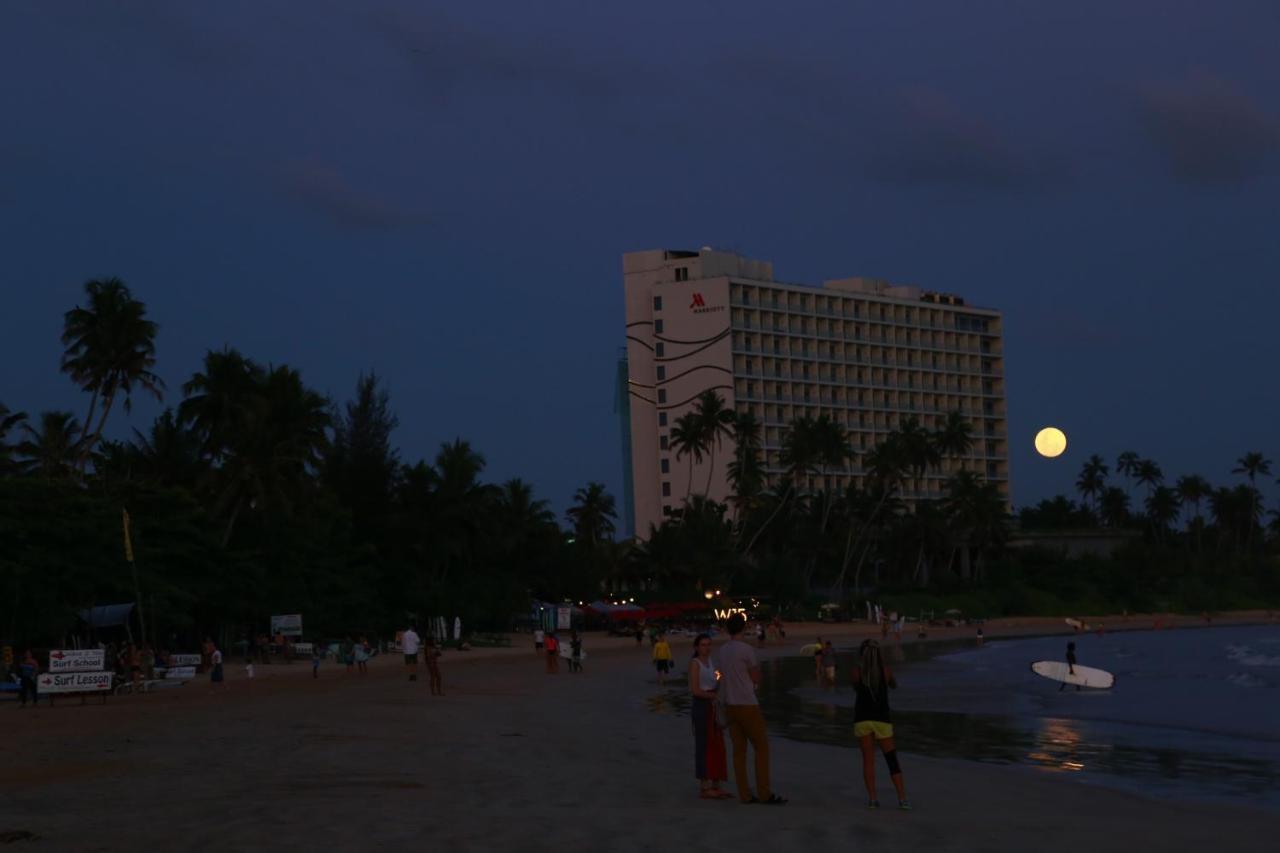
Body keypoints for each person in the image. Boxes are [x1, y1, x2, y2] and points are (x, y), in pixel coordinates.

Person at [719, 613, 786, 805]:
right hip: (747, 703)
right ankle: (764, 792)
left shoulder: (723, 650)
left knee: (739, 752)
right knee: (761, 747)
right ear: (744, 627)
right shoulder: (747, 650)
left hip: (730, 704)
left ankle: (745, 794)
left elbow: (721, 675)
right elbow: (756, 677)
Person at [850, 639, 909, 810]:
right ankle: (902, 799)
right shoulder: (886, 671)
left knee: (868, 761)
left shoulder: (856, 672)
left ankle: (873, 799)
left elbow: (856, 689)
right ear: (879, 654)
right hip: (882, 719)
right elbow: (893, 686)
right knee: (891, 760)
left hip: (862, 719)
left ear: (862, 653)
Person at [688, 633, 731, 799]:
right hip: (702, 706)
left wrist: (721, 676)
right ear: (697, 647)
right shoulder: (695, 663)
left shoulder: (711, 663)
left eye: (708, 644)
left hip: (713, 704)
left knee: (717, 743)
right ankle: (704, 785)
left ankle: (716, 783)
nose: (707, 648)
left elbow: (716, 677)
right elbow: (695, 690)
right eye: (703, 645)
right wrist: (713, 696)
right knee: (703, 744)